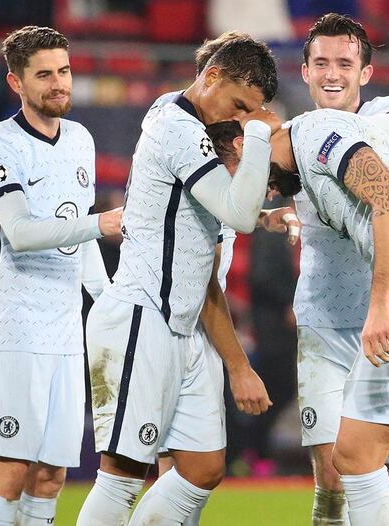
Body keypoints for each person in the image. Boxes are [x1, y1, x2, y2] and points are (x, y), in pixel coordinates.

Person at [211, 110, 389, 525]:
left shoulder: (318, 134)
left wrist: (378, 305)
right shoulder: (305, 160)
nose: (262, 194)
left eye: (244, 182)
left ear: (244, 148)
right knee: (353, 455)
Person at [76, 36, 280, 526]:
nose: (238, 118)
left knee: (204, 467)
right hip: (140, 317)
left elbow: (228, 218)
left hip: (181, 327)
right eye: (237, 105)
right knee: (123, 474)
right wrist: (258, 135)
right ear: (210, 75)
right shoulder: (176, 128)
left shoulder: (177, 113)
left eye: (250, 111)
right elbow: (239, 212)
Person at [0, 25, 122, 526]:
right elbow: (18, 231)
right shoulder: (0, 145)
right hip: (14, 328)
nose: (59, 83)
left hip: (65, 330)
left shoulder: (80, 139)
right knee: (11, 469)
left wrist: (107, 301)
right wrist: (99, 223)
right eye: (44, 75)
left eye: (64, 71)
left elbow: (77, 241)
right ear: (16, 83)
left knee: (52, 475)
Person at [294, 14, 389, 524]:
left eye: (345, 63)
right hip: (322, 319)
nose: (332, 73)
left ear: (366, 73)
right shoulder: (294, 136)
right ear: (304, 71)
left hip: (385, 318)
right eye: (320, 62)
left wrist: (308, 135)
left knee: (377, 471)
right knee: (331, 471)